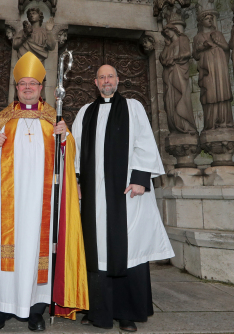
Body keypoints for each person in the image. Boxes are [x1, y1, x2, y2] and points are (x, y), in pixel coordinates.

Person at [0, 52, 88, 331]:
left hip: (41, 204)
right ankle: (0, 309)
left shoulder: (54, 119)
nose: (27, 87)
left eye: (32, 84)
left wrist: (65, 139)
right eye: (22, 83)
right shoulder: (2, 118)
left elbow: (69, 159)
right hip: (6, 204)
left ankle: (36, 309)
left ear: (41, 88)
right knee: (5, 253)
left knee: (39, 252)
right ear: (17, 87)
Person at [72, 64, 174, 332]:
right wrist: (78, 181)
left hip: (127, 192)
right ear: (95, 82)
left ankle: (127, 312)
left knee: (128, 249)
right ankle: (98, 309)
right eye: (102, 77)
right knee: (98, 250)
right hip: (95, 195)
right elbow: (77, 150)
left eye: (110, 76)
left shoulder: (133, 107)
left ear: (118, 80)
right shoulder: (85, 112)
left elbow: (144, 142)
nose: (106, 81)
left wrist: (141, 179)